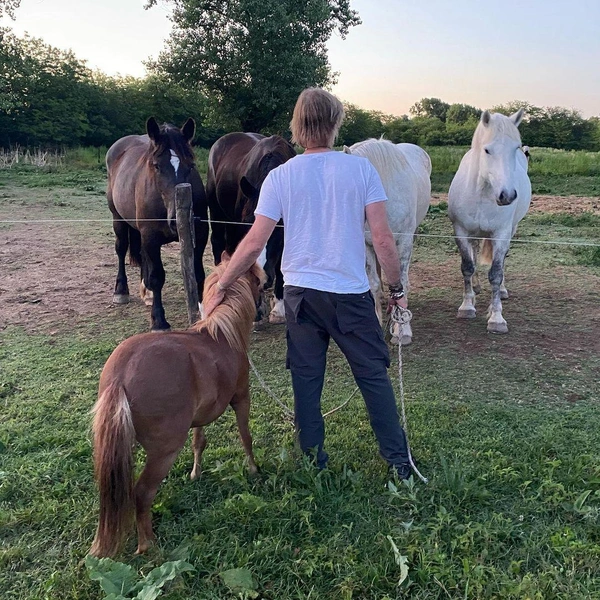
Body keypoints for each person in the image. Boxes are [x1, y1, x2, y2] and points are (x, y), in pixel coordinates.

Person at [203, 87, 413, 479]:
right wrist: (396, 291)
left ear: (298, 129)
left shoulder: (281, 176)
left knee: (306, 379)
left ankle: (313, 462)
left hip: (300, 296)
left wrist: (219, 286)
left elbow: (253, 242)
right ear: (335, 125)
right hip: (350, 295)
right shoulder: (362, 170)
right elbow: (383, 240)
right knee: (372, 377)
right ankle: (399, 462)